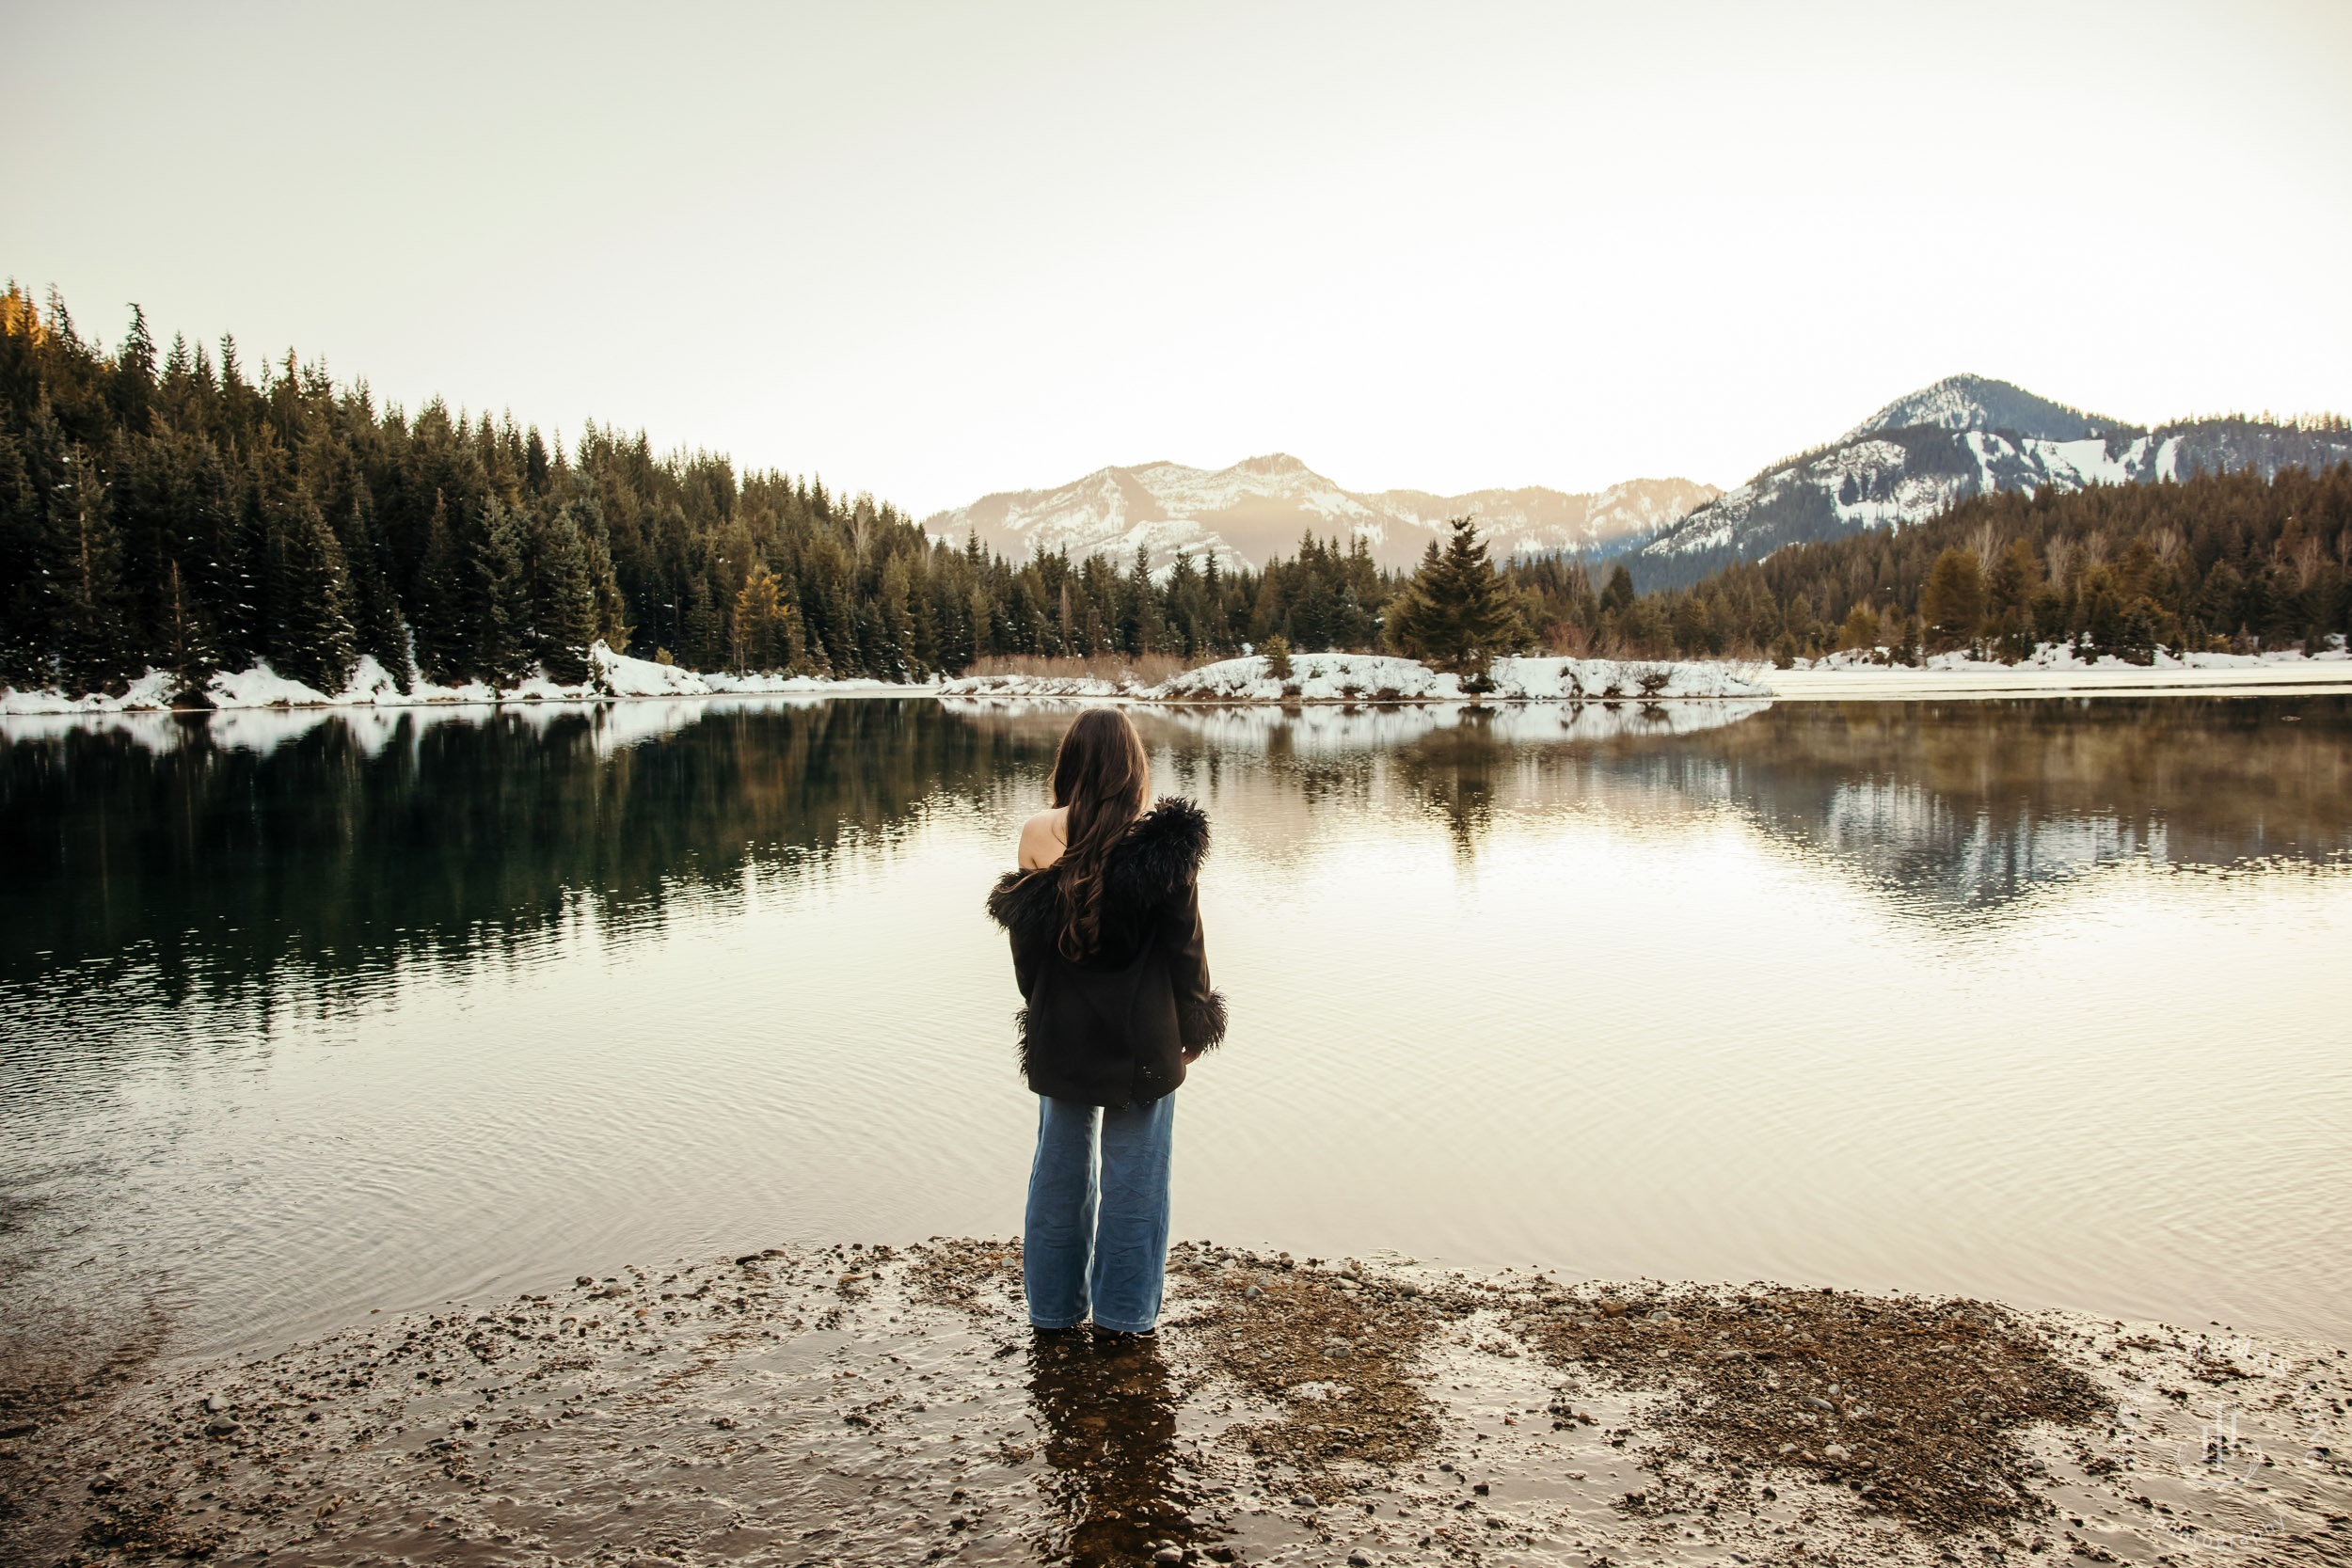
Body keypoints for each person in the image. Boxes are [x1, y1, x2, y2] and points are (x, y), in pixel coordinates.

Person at [985, 707, 1226, 1337]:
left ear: (1070, 763)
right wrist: (1194, 1020)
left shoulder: (1038, 832)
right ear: (1134, 768)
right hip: (1145, 1034)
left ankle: (1053, 1314)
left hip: (1062, 1029)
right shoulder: (1163, 845)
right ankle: (1124, 1317)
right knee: (1137, 1181)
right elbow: (1185, 946)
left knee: (1058, 1173)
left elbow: (1027, 955)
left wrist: (1048, 1013)